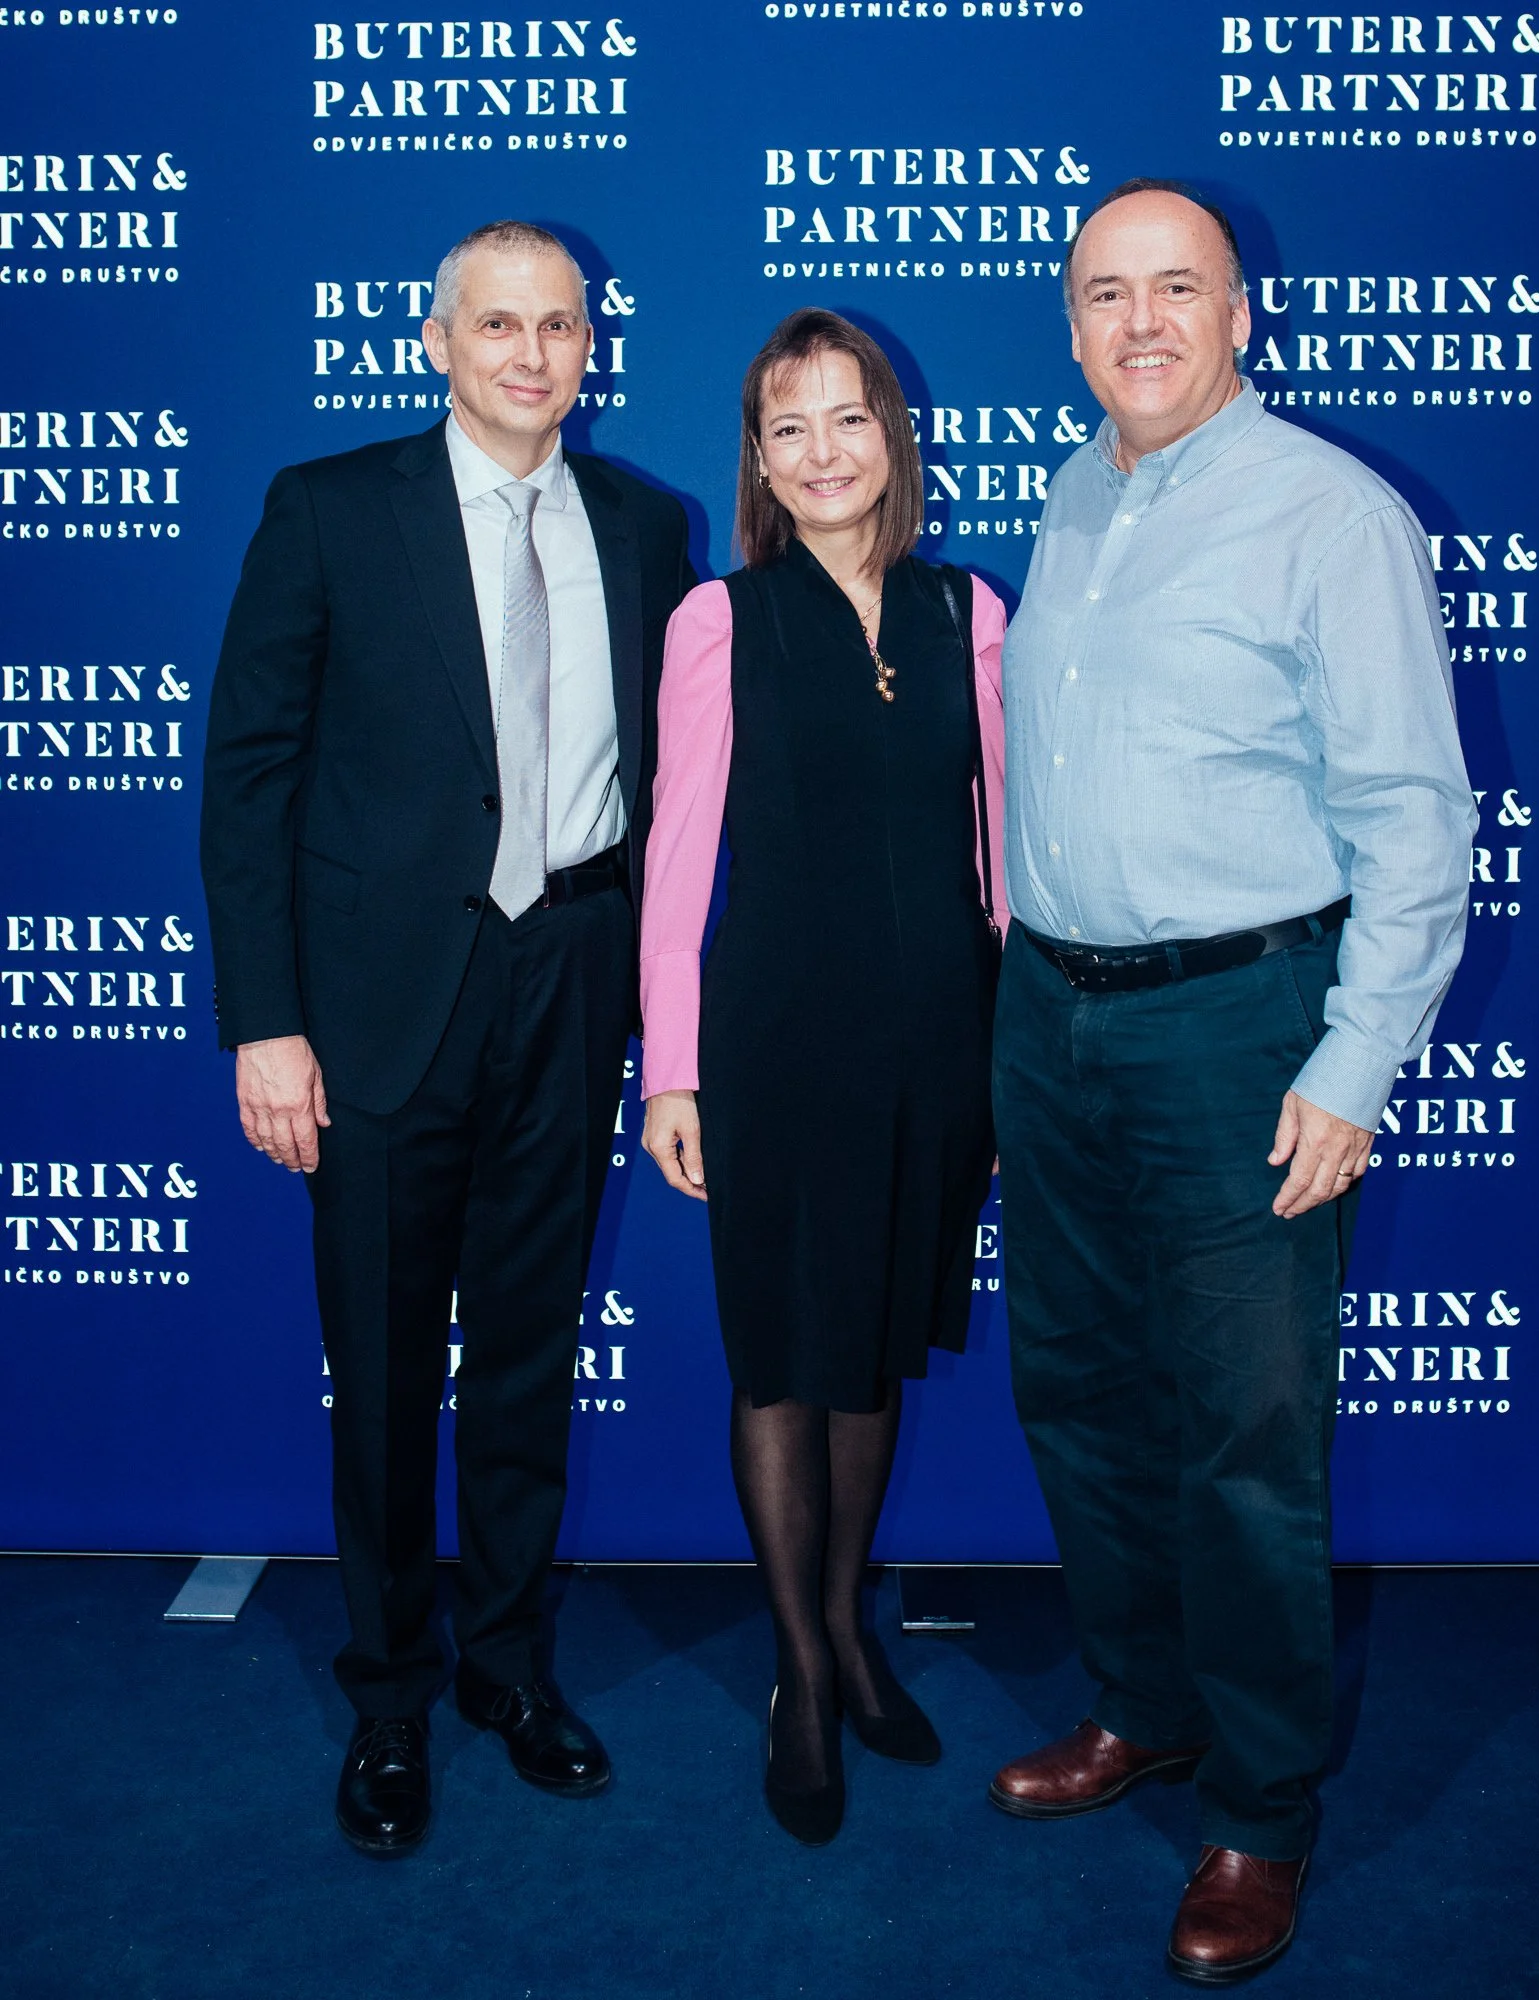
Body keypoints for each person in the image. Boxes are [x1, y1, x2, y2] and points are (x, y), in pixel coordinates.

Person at [990, 181, 1475, 1981]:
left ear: (1241, 312)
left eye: (1175, 289)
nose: (1139, 324)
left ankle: (1261, 1807)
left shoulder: (1327, 517)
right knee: (1083, 1395)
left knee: (1249, 1440)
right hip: (1051, 1018)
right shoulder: (1074, 493)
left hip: (1240, 1029)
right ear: (1070, 324)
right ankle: (1148, 1706)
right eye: (1104, 293)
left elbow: (1416, 818)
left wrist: (1352, 1065)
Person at [200, 220, 695, 1857]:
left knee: (531, 1357)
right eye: (498, 324)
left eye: (557, 325)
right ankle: (393, 1697)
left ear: (587, 346)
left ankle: (507, 1668)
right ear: (437, 340)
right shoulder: (330, 510)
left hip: (569, 981)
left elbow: (675, 796)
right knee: (390, 1366)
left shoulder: (644, 525)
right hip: (379, 1009)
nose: (531, 354)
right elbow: (250, 778)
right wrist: (266, 1023)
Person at [639, 309, 1007, 1845]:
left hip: (942, 1043)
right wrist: (672, 1069)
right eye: (787, 428)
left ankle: (854, 1626)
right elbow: (677, 859)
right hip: (776, 1044)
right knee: (786, 1356)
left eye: (846, 419)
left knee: (867, 1352)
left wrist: (1014, 1041)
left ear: (892, 436)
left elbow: (1001, 859)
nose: (821, 452)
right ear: (760, 460)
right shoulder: (723, 621)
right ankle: (802, 1666)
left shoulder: (970, 610)